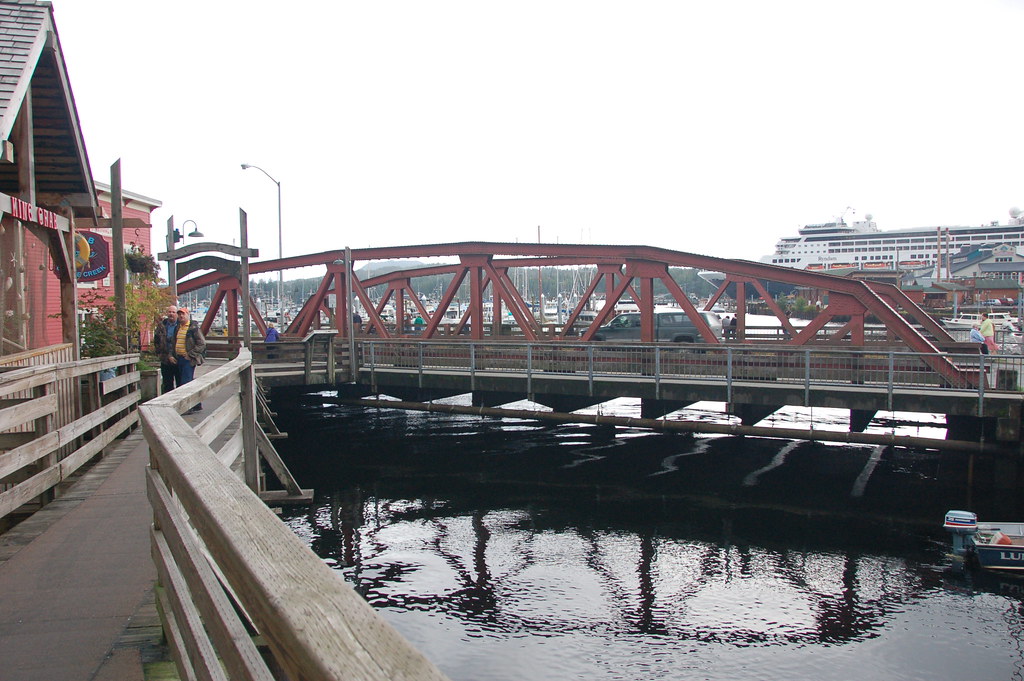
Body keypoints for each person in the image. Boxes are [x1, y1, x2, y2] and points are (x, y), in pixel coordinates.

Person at [169, 307, 207, 414]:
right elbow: (173, 342)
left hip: (188, 359)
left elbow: (202, 343)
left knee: (185, 383)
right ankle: (196, 404)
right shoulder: (178, 327)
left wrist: (191, 354)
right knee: (185, 381)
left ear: (187, 315)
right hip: (179, 358)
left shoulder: (193, 328)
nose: (181, 316)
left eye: (183, 314)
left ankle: (187, 407)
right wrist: (171, 354)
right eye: (179, 314)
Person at [153, 304, 179, 394]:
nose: (171, 314)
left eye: (173, 312)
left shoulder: (181, 325)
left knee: (181, 383)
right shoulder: (162, 326)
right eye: (169, 312)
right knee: (167, 384)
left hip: (178, 359)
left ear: (177, 314)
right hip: (165, 359)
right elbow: (156, 341)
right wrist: (161, 354)